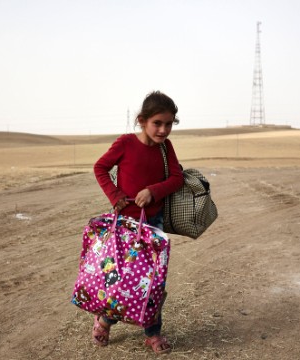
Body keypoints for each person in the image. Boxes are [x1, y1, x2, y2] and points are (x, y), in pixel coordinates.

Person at [92, 90, 184, 354]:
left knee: (154, 282)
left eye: (169, 124)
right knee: (122, 281)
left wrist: (153, 190)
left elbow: (177, 178)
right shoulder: (125, 143)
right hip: (125, 226)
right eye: (158, 123)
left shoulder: (166, 148)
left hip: (154, 224)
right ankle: (105, 321)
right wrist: (116, 195)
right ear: (142, 120)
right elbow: (100, 168)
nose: (164, 130)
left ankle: (153, 333)